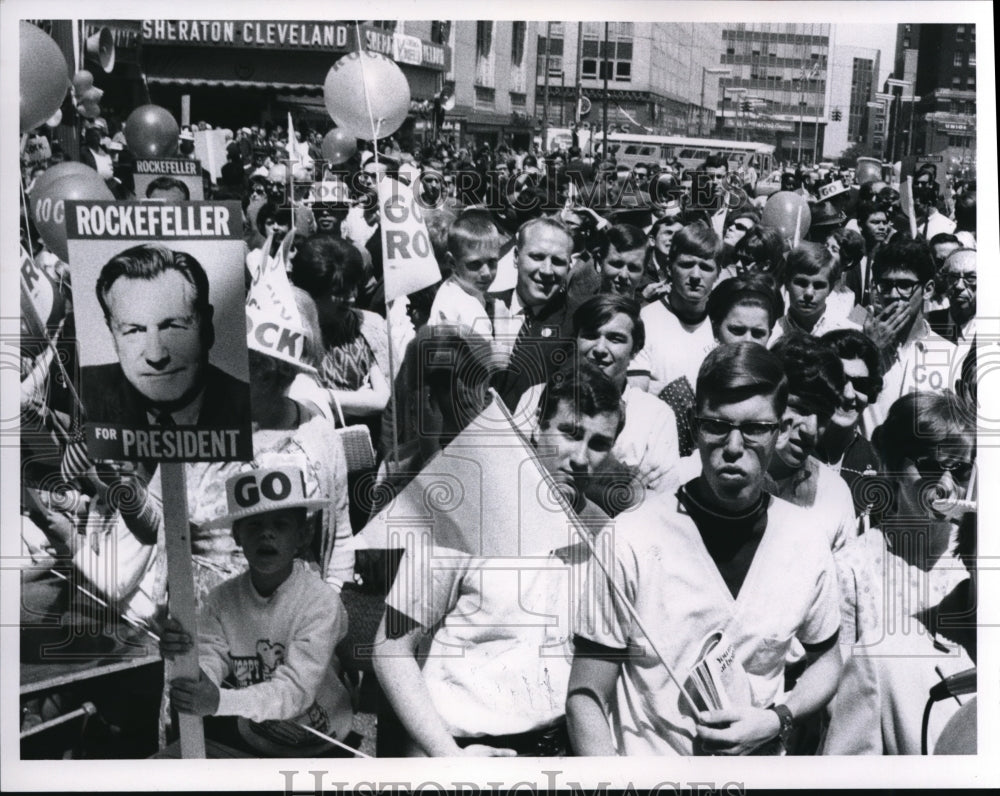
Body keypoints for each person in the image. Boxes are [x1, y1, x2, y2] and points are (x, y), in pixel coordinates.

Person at [568, 342, 843, 756]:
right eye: (717, 425)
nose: (734, 446)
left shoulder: (805, 539)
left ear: (781, 430)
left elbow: (827, 660)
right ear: (696, 428)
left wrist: (777, 718)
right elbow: (586, 697)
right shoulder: (631, 537)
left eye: (754, 429)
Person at [372, 363, 624, 757]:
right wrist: (449, 758)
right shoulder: (464, 511)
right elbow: (390, 648)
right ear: (537, 427)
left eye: (598, 443)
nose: (580, 458)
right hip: (460, 749)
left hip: (558, 751)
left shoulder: (606, 535)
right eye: (570, 433)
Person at [159, 466, 354, 757]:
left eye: (281, 524)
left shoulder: (321, 602)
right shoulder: (221, 599)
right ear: (236, 536)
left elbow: (295, 693)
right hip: (252, 737)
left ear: (302, 536)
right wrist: (185, 657)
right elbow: (211, 661)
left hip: (322, 744)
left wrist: (220, 702)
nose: (266, 534)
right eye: (253, 525)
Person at [822, 391, 976, 754]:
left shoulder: (975, 558)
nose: (946, 484)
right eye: (930, 465)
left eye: (961, 469)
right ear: (891, 464)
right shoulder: (853, 569)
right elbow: (837, 694)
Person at [514, 295, 680, 511]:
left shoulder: (656, 415)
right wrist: (621, 493)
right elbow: (516, 470)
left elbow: (662, 503)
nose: (600, 349)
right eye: (590, 336)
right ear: (576, 340)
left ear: (636, 349)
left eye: (615, 339)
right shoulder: (537, 395)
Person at [81, 243, 249, 428]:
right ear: (112, 334)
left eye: (172, 326)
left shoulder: (251, 408)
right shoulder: (83, 393)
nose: (156, 356)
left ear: (207, 327)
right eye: (134, 330)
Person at [628, 222, 722, 454]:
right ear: (669, 267)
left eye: (706, 267)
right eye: (686, 265)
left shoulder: (724, 324)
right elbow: (636, 401)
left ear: (718, 273)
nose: (695, 276)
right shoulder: (645, 321)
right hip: (657, 451)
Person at [767, 334, 859, 551]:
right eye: (800, 408)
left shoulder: (834, 493)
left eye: (823, 415)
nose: (811, 430)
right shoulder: (707, 473)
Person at [860, 235, 956, 435]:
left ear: (928, 289)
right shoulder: (855, 347)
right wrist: (868, 351)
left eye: (904, 285)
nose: (894, 295)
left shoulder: (951, 356)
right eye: (885, 286)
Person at [490, 217, 579, 410]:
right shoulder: (482, 306)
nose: (547, 270)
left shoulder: (577, 324)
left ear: (569, 267)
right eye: (537, 257)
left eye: (557, 261)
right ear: (515, 256)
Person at [816, 329, 883, 524]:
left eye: (861, 385)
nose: (849, 394)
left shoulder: (877, 463)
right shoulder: (791, 452)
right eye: (838, 381)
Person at [768, 243, 860, 346]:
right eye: (801, 283)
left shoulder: (848, 336)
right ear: (787, 282)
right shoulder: (770, 336)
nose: (809, 293)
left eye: (818, 285)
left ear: (830, 288)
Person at [926, 248, 976, 345]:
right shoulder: (928, 323)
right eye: (953, 277)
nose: (959, 286)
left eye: (970, 278)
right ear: (944, 280)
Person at [596, 224, 647, 298]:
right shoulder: (580, 308)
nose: (623, 275)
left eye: (633, 268)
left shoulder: (651, 309)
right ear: (598, 263)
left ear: (644, 271)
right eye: (617, 264)